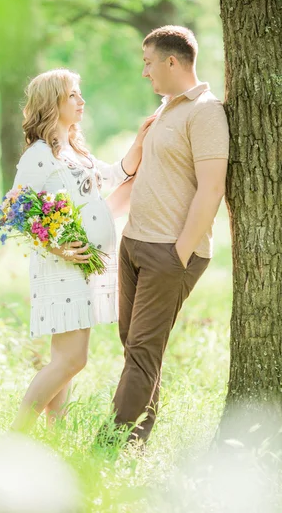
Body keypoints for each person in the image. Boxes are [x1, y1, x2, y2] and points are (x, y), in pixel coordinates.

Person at [100, 25, 230, 445]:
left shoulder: (206, 112)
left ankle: (109, 449)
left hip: (169, 253)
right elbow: (140, 175)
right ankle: (137, 437)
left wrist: (179, 254)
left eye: (148, 62)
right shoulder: (163, 112)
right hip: (135, 243)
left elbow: (212, 188)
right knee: (135, 345)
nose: (144, 72)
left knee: (141, 349)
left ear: (171, 61)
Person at [10, 68, 154, 431]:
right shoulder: (39, 154)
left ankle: (54, 438)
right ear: (51, 103)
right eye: (72, 94)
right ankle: (16, 435)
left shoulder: (75, 152)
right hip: (62, 267)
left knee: (66, 359)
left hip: (85, 266)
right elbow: (17, 210)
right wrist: (57, 248)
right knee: (72, 360)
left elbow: (115, 175)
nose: (81, 100)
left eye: (79, 93)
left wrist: (140, 141)